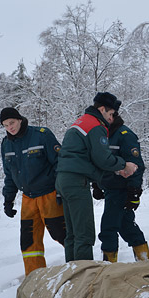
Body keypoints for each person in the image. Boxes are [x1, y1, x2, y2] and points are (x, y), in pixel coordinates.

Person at [56, 92, 137, 262]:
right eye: (111, 114)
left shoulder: (79, 122)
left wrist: (111, 172)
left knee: (72, 234)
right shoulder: (95, 125)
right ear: (102, 109)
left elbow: (85, 158)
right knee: (84, 235)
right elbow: (102, 158)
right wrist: (124, 166)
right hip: (77, 182)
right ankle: (84, 278)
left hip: (63, 180)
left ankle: (71, 275)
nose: (112, 118)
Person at [0, 107, 66, 275]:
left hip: (49, 195)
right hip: (28, 199)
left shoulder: (41, 135)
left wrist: (61, 190)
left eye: (12, 123)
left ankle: (80, 267)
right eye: (6, 125)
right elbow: (9, 174)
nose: (10, 128)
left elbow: (60, 163)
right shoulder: (6, 144)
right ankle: (35, 279)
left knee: (61, 234)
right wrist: (8, 199)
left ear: (20, 120)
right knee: (29, 243)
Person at [93, 100, 149, 263]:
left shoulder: (125, 135)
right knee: (126, 226)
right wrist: (96, 184)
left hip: (122, 189)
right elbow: (101, 162)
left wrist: (134, 191)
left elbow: (137, 164)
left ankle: (108, 266)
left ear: (112, 116)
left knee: (108, 227)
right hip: (110, 188)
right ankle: (144, 259)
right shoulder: (102, 134)